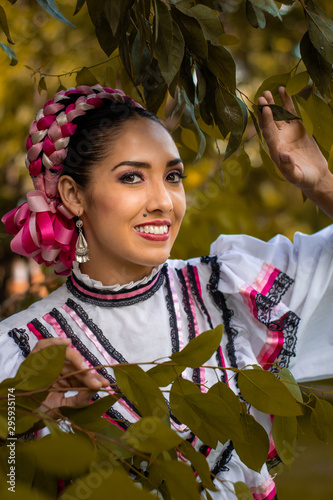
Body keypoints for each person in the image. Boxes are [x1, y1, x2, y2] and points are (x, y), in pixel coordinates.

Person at [0, 84, 332, 499]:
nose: (164, 201)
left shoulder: (234, 292)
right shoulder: (19, 351)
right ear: (73, 195)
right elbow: (11, 484)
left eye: (173, 177)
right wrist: (25, 422)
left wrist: (323, 185)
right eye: (132, 177)